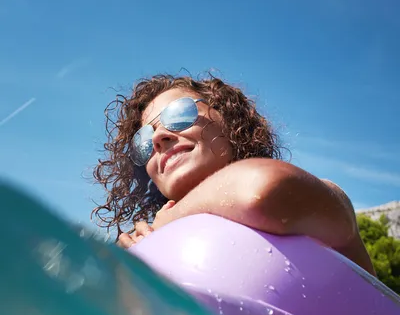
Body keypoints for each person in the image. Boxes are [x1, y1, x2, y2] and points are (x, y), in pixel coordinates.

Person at [92, 73, 375, 276]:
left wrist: (171, 219)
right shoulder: (156, 242)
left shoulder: (322, 196)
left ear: (228, 118)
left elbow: (263, 189)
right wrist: (122, 271)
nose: (159, 138)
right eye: (143, 140)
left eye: (178, 115)